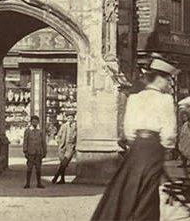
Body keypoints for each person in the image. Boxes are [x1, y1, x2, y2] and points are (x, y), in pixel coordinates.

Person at [92, 58, 179, 220]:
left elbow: (128, 129)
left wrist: (137, 143)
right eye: (168, 80)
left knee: (129, 187)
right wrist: (167, 148)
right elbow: (169, 133)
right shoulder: (165, 100)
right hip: (154, 148)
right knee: (149, 190)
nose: (169, 84)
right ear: (160, 79)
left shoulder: (134, 98)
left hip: (137, 147)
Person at [52, 113, 77, 184]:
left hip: (70, 147)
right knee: (63, 163)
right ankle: (62, 179)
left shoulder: (75, 127)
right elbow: (59, 135)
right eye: (68, 118)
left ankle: (56, 176)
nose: (70, 119)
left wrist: (74, 146)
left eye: (71, 118)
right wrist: (59, 142)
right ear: (66, 118)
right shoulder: (63, 126)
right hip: (62, 147)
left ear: (73, 118)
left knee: (64, 162)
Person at [23, 115, 47, 189]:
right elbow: (25, 141)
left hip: (38, 152)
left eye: (36, 121)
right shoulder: (27, 131)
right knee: (29, 168)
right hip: (30, 152)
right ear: (31, 122)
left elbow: (43, 142)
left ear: (38, 122)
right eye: (33, 121)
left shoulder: (40, 131)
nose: (35, 123)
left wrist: (45, 151)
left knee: (38, 169)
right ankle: (27, 183)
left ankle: (39, 183)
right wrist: (25, 151)